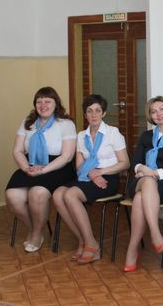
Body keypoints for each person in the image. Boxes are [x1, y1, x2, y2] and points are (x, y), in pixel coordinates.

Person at [53, 94, 129, 264]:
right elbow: (79, 166)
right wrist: (91, 174)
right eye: (89, 111)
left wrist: (100, 172)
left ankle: (92, 244)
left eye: (97, 111)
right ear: (85, 114)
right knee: (58, 194)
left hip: (108, 178)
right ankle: (83, 239)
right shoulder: (81, 136)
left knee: (70, 194)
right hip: (86, 176)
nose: (93, 115)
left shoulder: (113, 133)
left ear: (104, 113)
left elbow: (125, 163)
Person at [5, 87, 77, 253]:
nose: (43, 105)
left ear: (56, 103)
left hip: (57, 167)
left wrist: (43, 171)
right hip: (30, 164)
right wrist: (26, 167)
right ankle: (34, 227)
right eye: (39, 101)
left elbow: (67, 156)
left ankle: (36, 234)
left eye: (47, 101)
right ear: (35, 104)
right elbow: (17, 151)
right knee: (12, 196)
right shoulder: (27, 123)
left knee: (37, 193)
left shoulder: (66, 124)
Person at [122, 96, 163, 272]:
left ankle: (132, 250)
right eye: (153, 111)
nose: (158, 114)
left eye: (162, 109)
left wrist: (155, 173)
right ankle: (155, 234)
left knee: (139, 199)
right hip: (140, 180)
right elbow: (135, 162)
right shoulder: (146, 136)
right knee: (147, 183)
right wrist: (143, 168)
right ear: (150, 116)